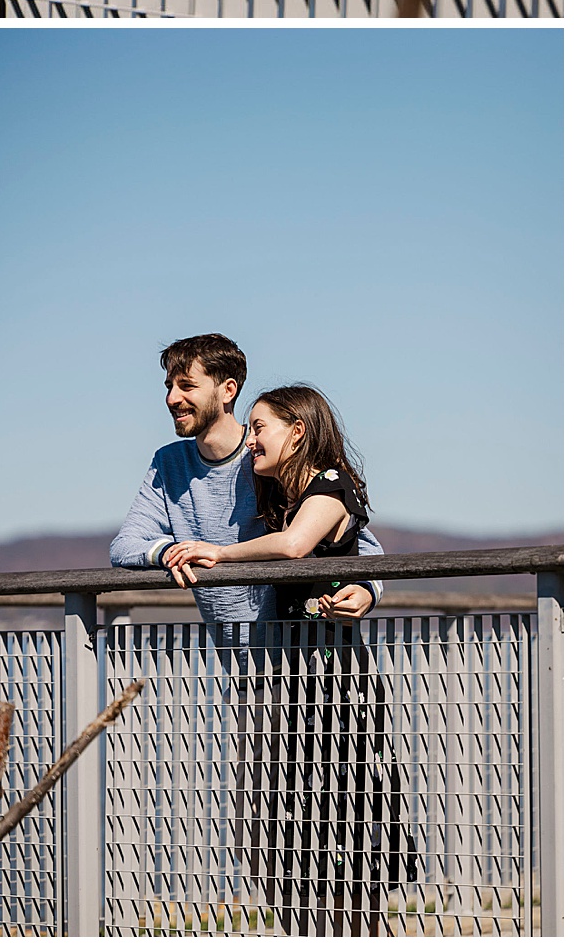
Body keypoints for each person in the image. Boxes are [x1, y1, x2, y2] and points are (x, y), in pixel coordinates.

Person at [161, 385, 418, 936]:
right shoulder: (281, 497)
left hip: (334, 684)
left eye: (260, 428)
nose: (250, 441)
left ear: (297, 431)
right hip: (289, 685)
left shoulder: (330, 485)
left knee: (344, 828)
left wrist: (220, 552)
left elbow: (297, 547)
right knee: (276, 829)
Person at [110, 334, 384, 626]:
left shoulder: (271, 458)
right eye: (169, 387)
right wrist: (172, 553)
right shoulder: (168, 464)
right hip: (238, 661)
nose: (172, 398)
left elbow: (356, 541)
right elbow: (125, 545)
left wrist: (368, 590)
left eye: (187, 386)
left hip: (295, 652)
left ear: (228, 390)